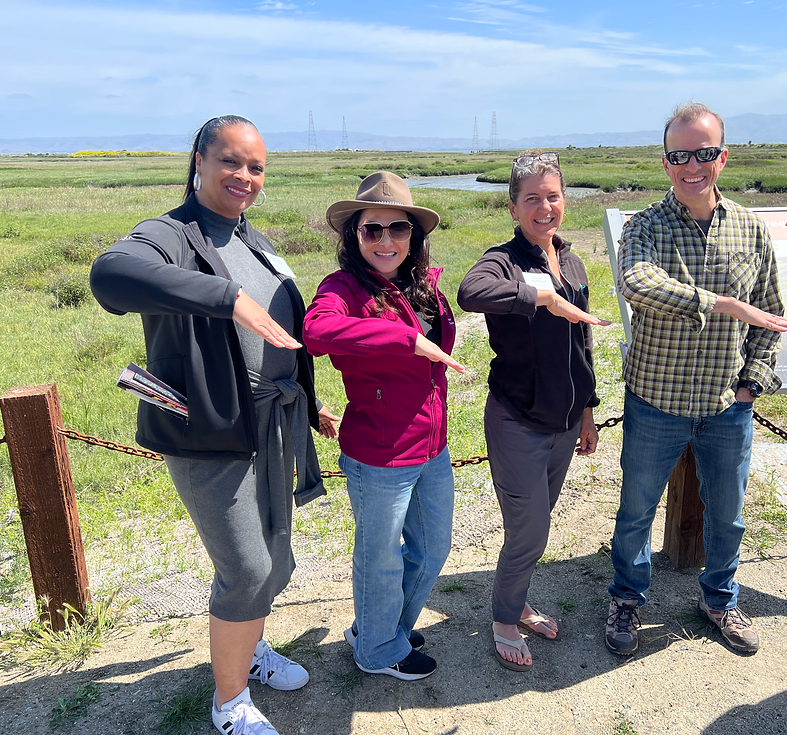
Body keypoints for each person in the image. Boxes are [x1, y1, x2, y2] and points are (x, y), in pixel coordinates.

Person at [90, 115, 340, 735]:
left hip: (274, 426)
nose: (245, 177)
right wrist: (225, 297)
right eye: (231, 161)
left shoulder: (251, 240)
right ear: (199, 158)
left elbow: (282, 337)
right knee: (247, 569)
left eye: (256, 167)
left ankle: (249, 651)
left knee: (277, 559)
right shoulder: (171, 235)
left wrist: (307, 404)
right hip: (212, 433)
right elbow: (110, 275)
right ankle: (228, 706)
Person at [605, 101, 787, 657]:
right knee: (636, 509)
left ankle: (719, 598)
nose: (693, 166)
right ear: (665, 163)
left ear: (723, 157)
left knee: (729, 512)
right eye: (680, 155)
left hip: (725, 405)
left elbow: (770, 313)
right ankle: (626, 597)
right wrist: (721, 305)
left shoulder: (750, 228)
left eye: (705, 153)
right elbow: (637, 283)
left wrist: (752, 383)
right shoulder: (645, 227)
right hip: (656, 401)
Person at [302, 171, 464, 681]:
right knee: (381, 559)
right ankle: (376, 650)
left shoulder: (420, 286)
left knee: (433, 547)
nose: (386, 239)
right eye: (373, 229)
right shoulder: (343, 288)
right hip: (379, 453)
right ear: (355, 235)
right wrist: (404, 341)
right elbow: (316, 330)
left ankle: (379, 629)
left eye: (398, 228)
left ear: (414, 235)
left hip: (431, 443)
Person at [457, 152, 610, 671]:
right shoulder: (502, 259)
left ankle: (516, 601)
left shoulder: (572, 259)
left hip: (565, 421)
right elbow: (470, 292)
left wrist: (587, 410)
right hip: (517, 418)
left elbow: (581, 340)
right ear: (513, 208)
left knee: (536, 521)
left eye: (552, 196)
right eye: (532, 199)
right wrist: (538, 295)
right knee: (530, 530)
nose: (544, 207)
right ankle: (504, 618)